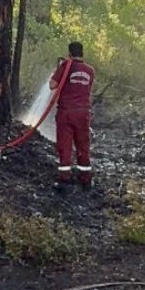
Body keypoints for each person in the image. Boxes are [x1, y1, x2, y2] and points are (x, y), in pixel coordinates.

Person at [49, 41, 95, 191]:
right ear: (83, 54)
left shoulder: (65, 67)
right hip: (83, 113)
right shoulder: (90, 71)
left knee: (65, 144)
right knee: (83, 144)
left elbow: (52, 85)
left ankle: (65, 178)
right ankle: (85, 179)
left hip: (66, 112)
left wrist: (60, 69)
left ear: (69, 54)